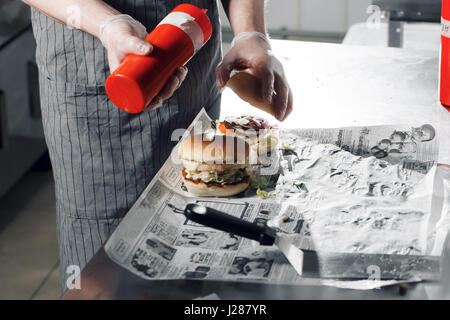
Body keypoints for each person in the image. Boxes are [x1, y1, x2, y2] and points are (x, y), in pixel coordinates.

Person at [22, 0, 293, 292]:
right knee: (110, 269)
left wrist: (251, 33)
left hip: (194, 70)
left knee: (200, 239)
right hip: (99, 91)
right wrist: (107, 24)